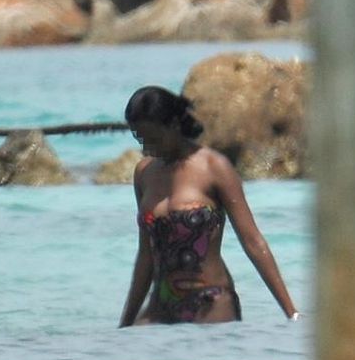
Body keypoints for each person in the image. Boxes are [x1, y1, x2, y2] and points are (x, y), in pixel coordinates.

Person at [119, 86, 300, 327]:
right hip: (160, 306)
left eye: (153, 138)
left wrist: (292, 314)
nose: (146, 147)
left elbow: (253, 242)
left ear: (173, 125)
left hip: (211, 303)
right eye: (140, 139)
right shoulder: (144, 173)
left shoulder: (215, 167)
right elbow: (146, 255)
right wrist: (125, 325)